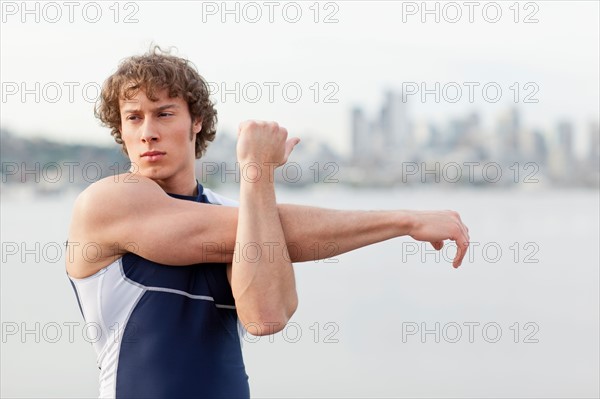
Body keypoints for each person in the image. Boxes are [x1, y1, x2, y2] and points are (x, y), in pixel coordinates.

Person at [66, 46, 470, 398]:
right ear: (120, 129)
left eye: (164, 113)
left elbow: (266, 316)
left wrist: (256, 181)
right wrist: (406, 220)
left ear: (197, 121)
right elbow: (259, 232)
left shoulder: (234, 216)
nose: (148, 132)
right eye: (133, 118)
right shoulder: (107, 202)